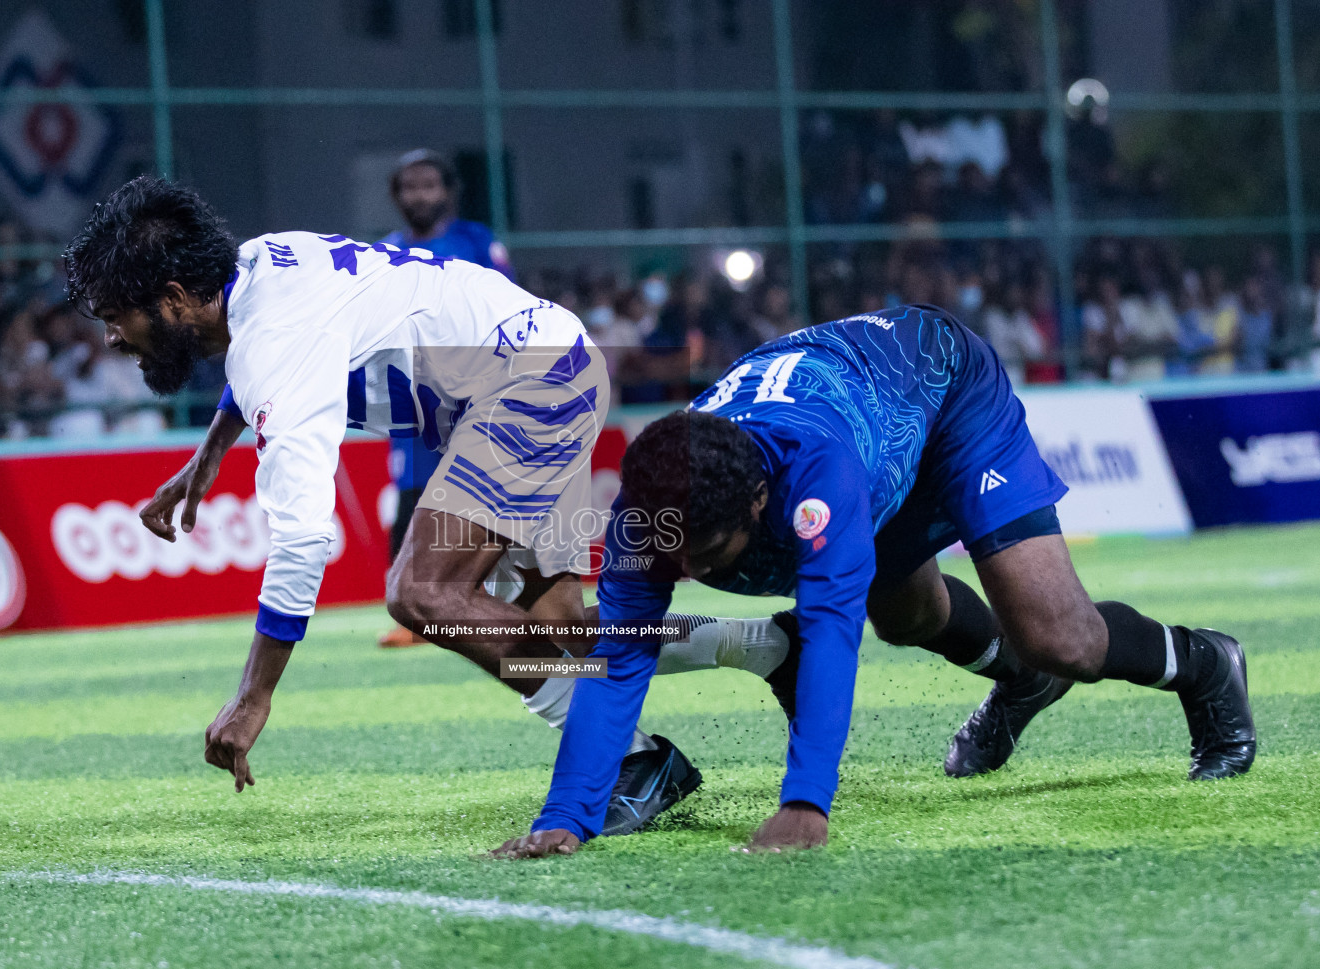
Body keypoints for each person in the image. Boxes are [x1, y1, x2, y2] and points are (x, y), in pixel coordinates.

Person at [64, 177, 802, 837]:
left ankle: (634, 762)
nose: (110, 335)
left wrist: (252, 696)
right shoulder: (260, 260)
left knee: (424, 593)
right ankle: (770, 648)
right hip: (553, 359)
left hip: (526, 385)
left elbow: (300, 538)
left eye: (114, 314)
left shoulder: (273, 346)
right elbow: (246, 355)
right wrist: (211, 451)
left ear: (170, 297)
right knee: (563, 630)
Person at [492, 304, 1255, 859]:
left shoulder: (813, 479)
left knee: (1062, 639)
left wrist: (803, 804)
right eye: (676, 555)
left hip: (945, 394)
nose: (689, 573)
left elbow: (827, 632)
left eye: (711, 553)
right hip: (862, 415)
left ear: (761, 501)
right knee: (908, 614)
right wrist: (567, 816)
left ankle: (1203, 663)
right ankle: (1017, 681)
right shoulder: (646, 510)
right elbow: (618, 655)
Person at [375, 149, 516, 648]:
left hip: (479, 392)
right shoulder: (381, 254)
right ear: (397, 195)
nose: (420, 195)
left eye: (429, 185)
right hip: (413, 398)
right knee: (413, 495)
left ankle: (502, 601)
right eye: (410, 187)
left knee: (492, 496)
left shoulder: (477, 242)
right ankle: (414, 615)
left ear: (448, 191)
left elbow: (511, 308)